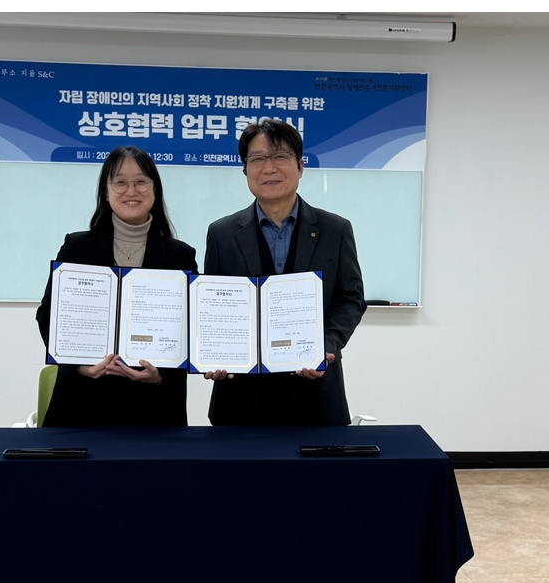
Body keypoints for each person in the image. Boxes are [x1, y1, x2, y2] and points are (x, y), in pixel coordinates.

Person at [203, 119, 366, 426]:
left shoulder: (335, 229)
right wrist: (214, 354)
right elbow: (213, 308)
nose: (269, 168)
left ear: (300, 166)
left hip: (316, 395)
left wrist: (326, 346)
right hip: (241, 398)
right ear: (245, 170)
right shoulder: (221, 233)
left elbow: (350, 299)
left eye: (279, 156)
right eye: (257, 159)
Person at [36, 146, 198, 426]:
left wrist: (160, 375)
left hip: (154, 409)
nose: (131, 191)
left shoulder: (180, 256)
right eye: (120, 182)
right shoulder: (77, 247)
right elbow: (48, 315)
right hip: (82, 405)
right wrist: (81, 366)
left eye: (141, 182)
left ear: (155, 190)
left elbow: (191, 329)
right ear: (106, 191)